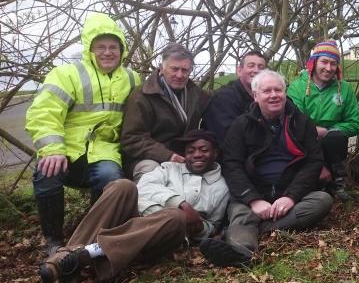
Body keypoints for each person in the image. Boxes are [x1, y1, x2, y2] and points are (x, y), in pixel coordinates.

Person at [38, 130, 229, 283]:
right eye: (190, 150)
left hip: (160, 235)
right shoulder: (169, 169)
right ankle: (69, 261)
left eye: (204, 150)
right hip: (135, 216)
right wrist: (181, 203)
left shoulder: (221, 187)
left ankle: (79, 257)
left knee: (175, 217)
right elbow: (144, 186)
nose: (197, 155)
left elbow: (214, 224)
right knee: (124, 186)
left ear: (215, 153)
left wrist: (199, 226)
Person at [26, 13, 141, 255]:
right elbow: (44, 112)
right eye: (101, 47)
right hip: (68, 149)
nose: (108, 52)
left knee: (111, 178)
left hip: (106, 151)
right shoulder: (67, 74)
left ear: (122, 49)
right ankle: (54, 242)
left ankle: (93, 239)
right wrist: (52, 149)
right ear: (90, 49)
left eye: (113, 47)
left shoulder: (132, 78)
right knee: (47, 173)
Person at [200, 70, 334, 267]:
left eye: (278, 90)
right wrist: (253, 200)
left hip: (288, 195)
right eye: (266, 91)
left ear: (284, 92)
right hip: (253, 195)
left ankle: (248, 230)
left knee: (322, 200)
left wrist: (291, 197)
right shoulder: (241, 125)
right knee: (241, 212)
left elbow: (313, 161)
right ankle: (242, 252)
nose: (273, 95)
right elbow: (231, 164)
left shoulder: (301, 121)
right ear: (256, 96)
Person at [121, 43, 211, 181]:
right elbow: (132, 138)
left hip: (186, 156)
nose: (180, 75)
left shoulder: (198, 96)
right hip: (148, 158)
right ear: (161, 68)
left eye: (185, 70)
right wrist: (167, 156)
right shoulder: (141, 96)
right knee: (151, 173)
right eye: (174, 69)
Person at [286, 41, 359, 201]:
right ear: (314, 62)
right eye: (324, 62)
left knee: (336, 137)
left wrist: (328, 131)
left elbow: (355, 123)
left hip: (331, 145)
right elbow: (294, 123)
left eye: (333, 63)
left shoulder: (345, 88)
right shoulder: (297, 88)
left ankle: (338, 185)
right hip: (304, 144)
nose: (328, 68)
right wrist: (314, 131)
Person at [203, 51, 267, 144]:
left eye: (261, 67)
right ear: (239, 71)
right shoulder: (223, 99)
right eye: (251, 66)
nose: (256, 70)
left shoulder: (267, 97)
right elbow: (228, 138)